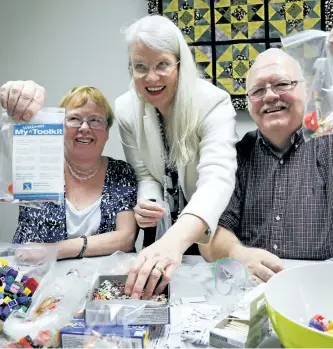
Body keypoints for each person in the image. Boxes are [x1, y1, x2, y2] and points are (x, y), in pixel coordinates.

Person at [114, 14, 237, 299]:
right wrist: (149, 203)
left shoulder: (213, 103)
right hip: (165, 235)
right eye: (140, 67)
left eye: (162, 65)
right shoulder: (125, 109)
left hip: (209, 231)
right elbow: (145, 174)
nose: (151, 77)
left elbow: (216, 180)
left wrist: (174, 241)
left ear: (180, 64)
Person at [200, 48, 333, 282]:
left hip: (318, 289)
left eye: (282, 84)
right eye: (258, 90)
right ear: (249, 102)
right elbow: (208, 237)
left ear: (306, 90)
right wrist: (238, 253)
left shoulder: (327, 145)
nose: (270, 96)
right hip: (249, 291)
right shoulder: (235, 156)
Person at [0, 83, 137, 259]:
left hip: (98, 281)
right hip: (34, 275)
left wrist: (56, 250)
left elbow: (125, 239)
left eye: (95, 120)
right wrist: (17, 96)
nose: (85, 128)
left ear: (107, 132)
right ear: (59, 127)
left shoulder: (121, 172)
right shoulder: (38, 165)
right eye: (74, 119)